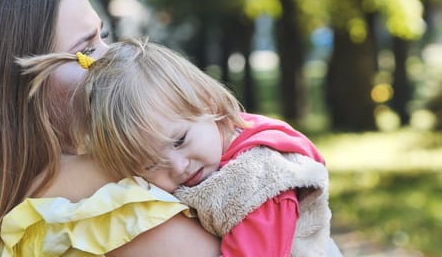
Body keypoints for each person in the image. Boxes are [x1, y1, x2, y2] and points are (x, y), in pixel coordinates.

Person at [0, 0, 220, 257]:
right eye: (86, 51)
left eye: (105, 37)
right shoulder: (107, 204)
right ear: (16, 90)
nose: (112, 58)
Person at [18, 38, 343, 256]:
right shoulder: (212, 157)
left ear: (206, 102)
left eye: (179, 141)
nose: (177, 166)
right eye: (150, 165)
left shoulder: (259, 180)